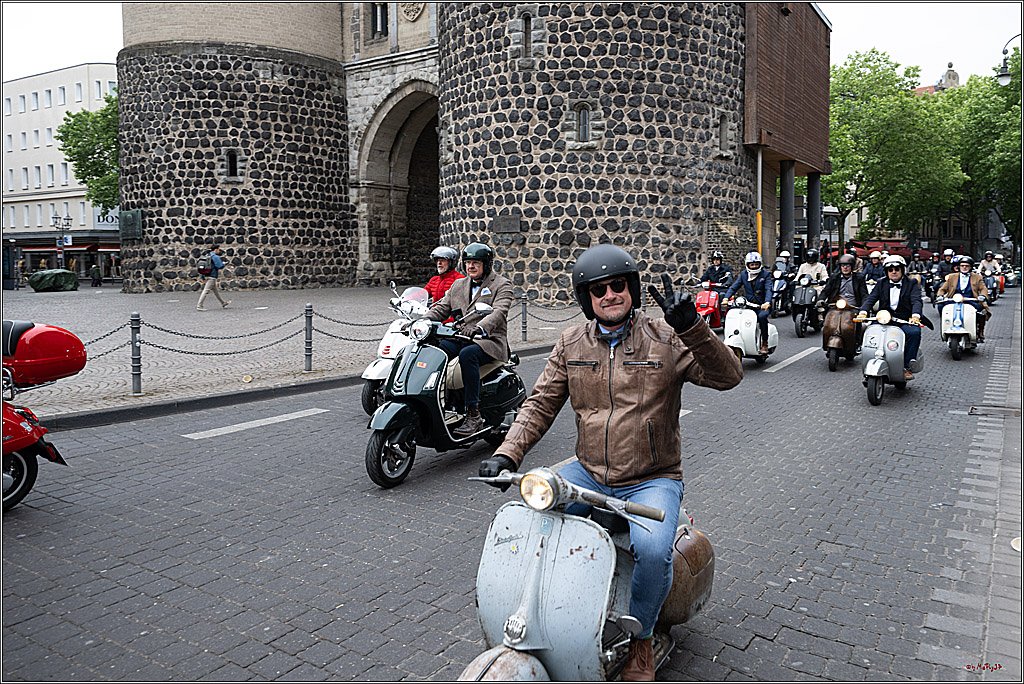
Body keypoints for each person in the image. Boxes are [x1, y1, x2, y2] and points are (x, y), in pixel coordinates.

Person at [481, 244, 742, 681]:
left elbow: (728, 376)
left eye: (618, 285)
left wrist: (693, 326)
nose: (609, 295)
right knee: (532, 516)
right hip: (588, 471)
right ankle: (541, 612)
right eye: (597, 289)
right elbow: (540, 403)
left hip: (652, 477)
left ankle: (642, 640)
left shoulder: (666, 337)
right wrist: (508, 452)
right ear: (586, 299)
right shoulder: (571, 342)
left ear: (632, 289)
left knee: (655, 549)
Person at [424, 243, 512, 438]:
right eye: (468, 263)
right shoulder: (458, 285)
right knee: (435, 351)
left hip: (488, 340)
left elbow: (499, 311)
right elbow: (441, 308)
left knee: (467, 355)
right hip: (461, 336)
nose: (471, 266)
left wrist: (480, 327)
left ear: (487, 264)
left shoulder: (501, 284)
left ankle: (474, 414)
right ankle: (439, 402)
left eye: (476, 263)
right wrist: (420, 322)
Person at [856, 255, 923, 380]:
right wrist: (863, 312)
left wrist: (915, 316)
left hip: (904, 319)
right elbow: (871, 298)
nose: (894, 272)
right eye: (890, 269)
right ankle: (867, 363)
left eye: (897, 269)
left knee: (914, 332)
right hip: (884, 318)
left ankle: (907, 366)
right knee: (868, 332)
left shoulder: (911, 283)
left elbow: (916, 301)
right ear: (886, 271)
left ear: (902, 270)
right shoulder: (881, 282)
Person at [723, 251, 773, 354]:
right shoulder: (744, 274)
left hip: (761, 306)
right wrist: (726, 298)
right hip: (748, 305)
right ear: (747, 265)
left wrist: (767, 302)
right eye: (752, 264)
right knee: (732, 313)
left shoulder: (766, 274)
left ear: (760, 264)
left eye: (756, 264)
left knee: (762, 317)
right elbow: (734, 287)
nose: (754, 266)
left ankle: (765, 342)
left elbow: (768, 289)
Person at [936, 254, 991, 342]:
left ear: (971, 267)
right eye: (962, 266)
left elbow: (983, 288)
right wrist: (940, 296)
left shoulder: (977, 277)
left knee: (981, 312)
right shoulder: (952, 276)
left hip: (971, 300)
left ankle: (980, 332)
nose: (964, 267)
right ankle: (946, 324)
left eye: (967, 266)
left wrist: (982, 296)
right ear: (959, 267)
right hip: (953, 300)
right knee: (940, 306)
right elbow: (942, 289)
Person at [196, 245, 231, 311]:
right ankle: (199, 305)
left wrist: (203, 277)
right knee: (206, 291)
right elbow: (219, 266)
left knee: (215, 291)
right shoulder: (215, 257)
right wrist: (224, 263)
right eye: (218, 249)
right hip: (212, 276)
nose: (219, 251)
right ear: (215, 250)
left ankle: (223, 303)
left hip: (206, 275)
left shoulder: (207, 256)